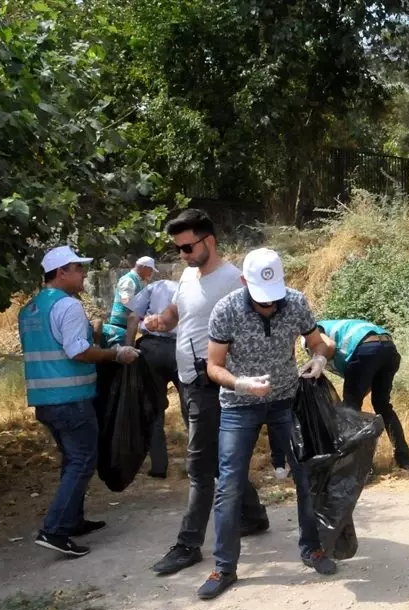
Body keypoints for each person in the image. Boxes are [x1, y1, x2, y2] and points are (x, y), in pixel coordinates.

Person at [197, 248, 335, 599]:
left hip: (286, 401)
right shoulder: (226, 310)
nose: (269, 306)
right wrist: (240, 383)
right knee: (229, 484)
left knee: (306, 475)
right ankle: (224, 567)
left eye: (273, 299)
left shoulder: (296, 302)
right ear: (245, 282)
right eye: (262, 299)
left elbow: (319, 342)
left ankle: (312, 548)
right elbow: (213, 366)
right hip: (239, 406)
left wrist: (319, 358)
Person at [143, 209, 270, 576]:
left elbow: (251, 330)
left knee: (199, 467)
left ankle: (188, 545)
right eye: (178, 249)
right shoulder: (187, 275)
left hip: (212, 384)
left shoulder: (233, 282)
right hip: (188, 380)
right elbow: (176, 314)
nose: (181, 255)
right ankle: (254, 516)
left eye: (186, 247)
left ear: (208, 241)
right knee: (218, 456)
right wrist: (161, 321)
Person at [20, 246, 140, 557]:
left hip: (45, 400)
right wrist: (116, 354)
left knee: (72, 460)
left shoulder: (31, 308)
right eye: (78, 269)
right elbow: (78, 351)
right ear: (62, 272)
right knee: (83, 460)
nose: (83, 274)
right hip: (71, 399)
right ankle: (55, 529)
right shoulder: (68, 306)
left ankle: (71, 520)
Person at [317, 318, 409, 470]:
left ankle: (359, 466)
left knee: (350, 411)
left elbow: (329, 346)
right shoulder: (340, 327)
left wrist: (317, 361)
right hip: (388, 349)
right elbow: (365, 380)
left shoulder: (315, 329)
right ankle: (404, 458)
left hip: (366, 349)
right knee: (382, 406)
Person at [124, 274, 182, 479]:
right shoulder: (186, 288)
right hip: (180, 350)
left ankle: (159, 466)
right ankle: (200, 464)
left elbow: (132, 317)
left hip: (151, 350)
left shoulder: (153, 287)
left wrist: (128, 348)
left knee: (153, 408)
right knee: (191, 408)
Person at [101, 256, 157, 346]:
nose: (151, 273)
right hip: (120, 325)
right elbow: (126, 301)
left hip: (129, 324)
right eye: (150, 270)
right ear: (144, 267)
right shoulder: (128, 280)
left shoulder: (139, 281)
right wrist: (142, 317)